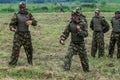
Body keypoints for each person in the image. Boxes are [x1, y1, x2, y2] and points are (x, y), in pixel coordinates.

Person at [9, 1, 37, 66]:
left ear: (25, 7)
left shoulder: (29, 14)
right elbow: (11, 25)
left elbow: (35, 22)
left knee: (29, 50)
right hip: (18, 35)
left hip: (26, 35)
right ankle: (12, 64)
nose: (22, 9)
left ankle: (30, 64)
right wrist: (12, 28)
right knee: (15, 50)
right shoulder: (16, 14)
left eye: (23, 8)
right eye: (21, 8)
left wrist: (31, 22)